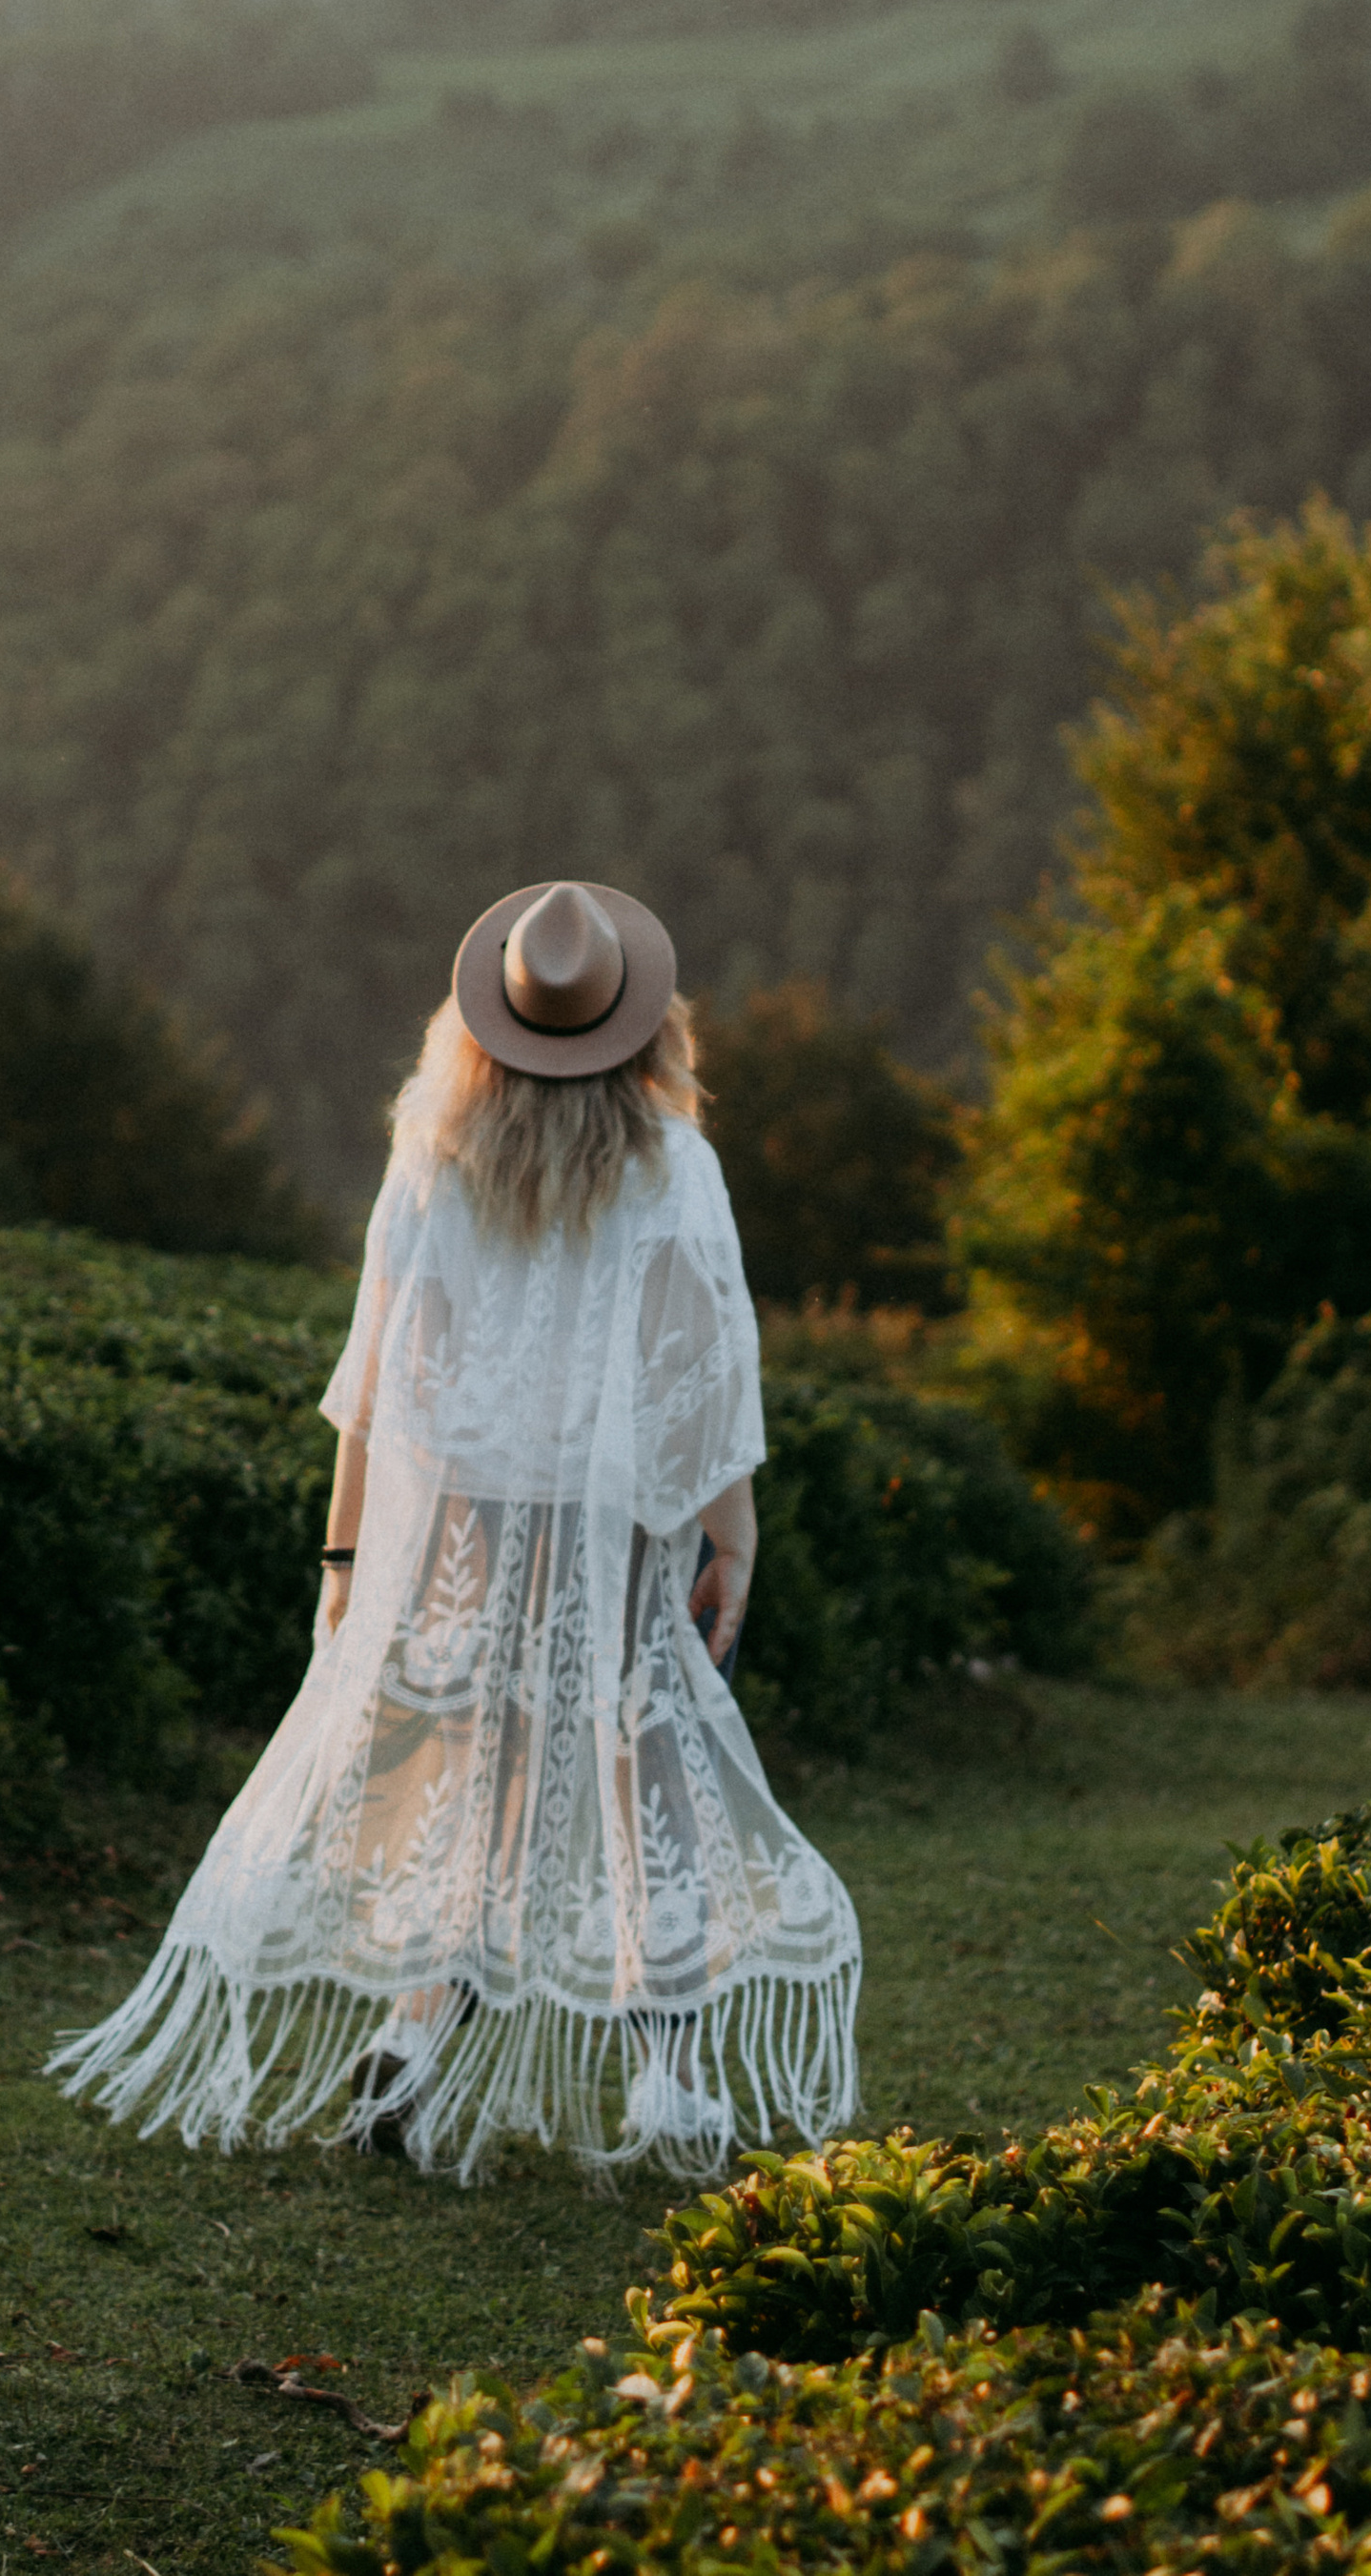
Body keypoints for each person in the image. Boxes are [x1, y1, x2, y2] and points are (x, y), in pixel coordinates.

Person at [45, 879, 862, 2178]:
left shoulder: (433, 1157)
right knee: (642, 1761)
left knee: (471, 1765)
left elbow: (374, 1382)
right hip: (619, 1520)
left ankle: (415, 2040)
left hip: (466, 1516)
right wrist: (734, 1537)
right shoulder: (674, 1169)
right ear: (643, 1027)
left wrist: (345, 1557)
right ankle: (670, 2080)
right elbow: (707, 1366)